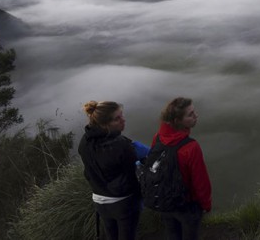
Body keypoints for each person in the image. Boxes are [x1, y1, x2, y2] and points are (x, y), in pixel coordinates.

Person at [78, 101, 141, 240]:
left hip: (99, 201)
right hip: (123, 203)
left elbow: (89, 173)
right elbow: (133, 178)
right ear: (104, 124)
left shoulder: (84, 142)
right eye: (117, 118)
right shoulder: (121, 145)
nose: (123, 120)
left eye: (122, 115)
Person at [152, 97, 212, 240]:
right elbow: (200, 181)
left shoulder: (158, 137)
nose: (196, 116)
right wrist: (206, 204)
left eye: (194, 112)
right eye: (190, 114)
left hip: (165, 201)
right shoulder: (190, 147)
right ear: (177, 121)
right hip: (187, 205)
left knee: (172, 234)